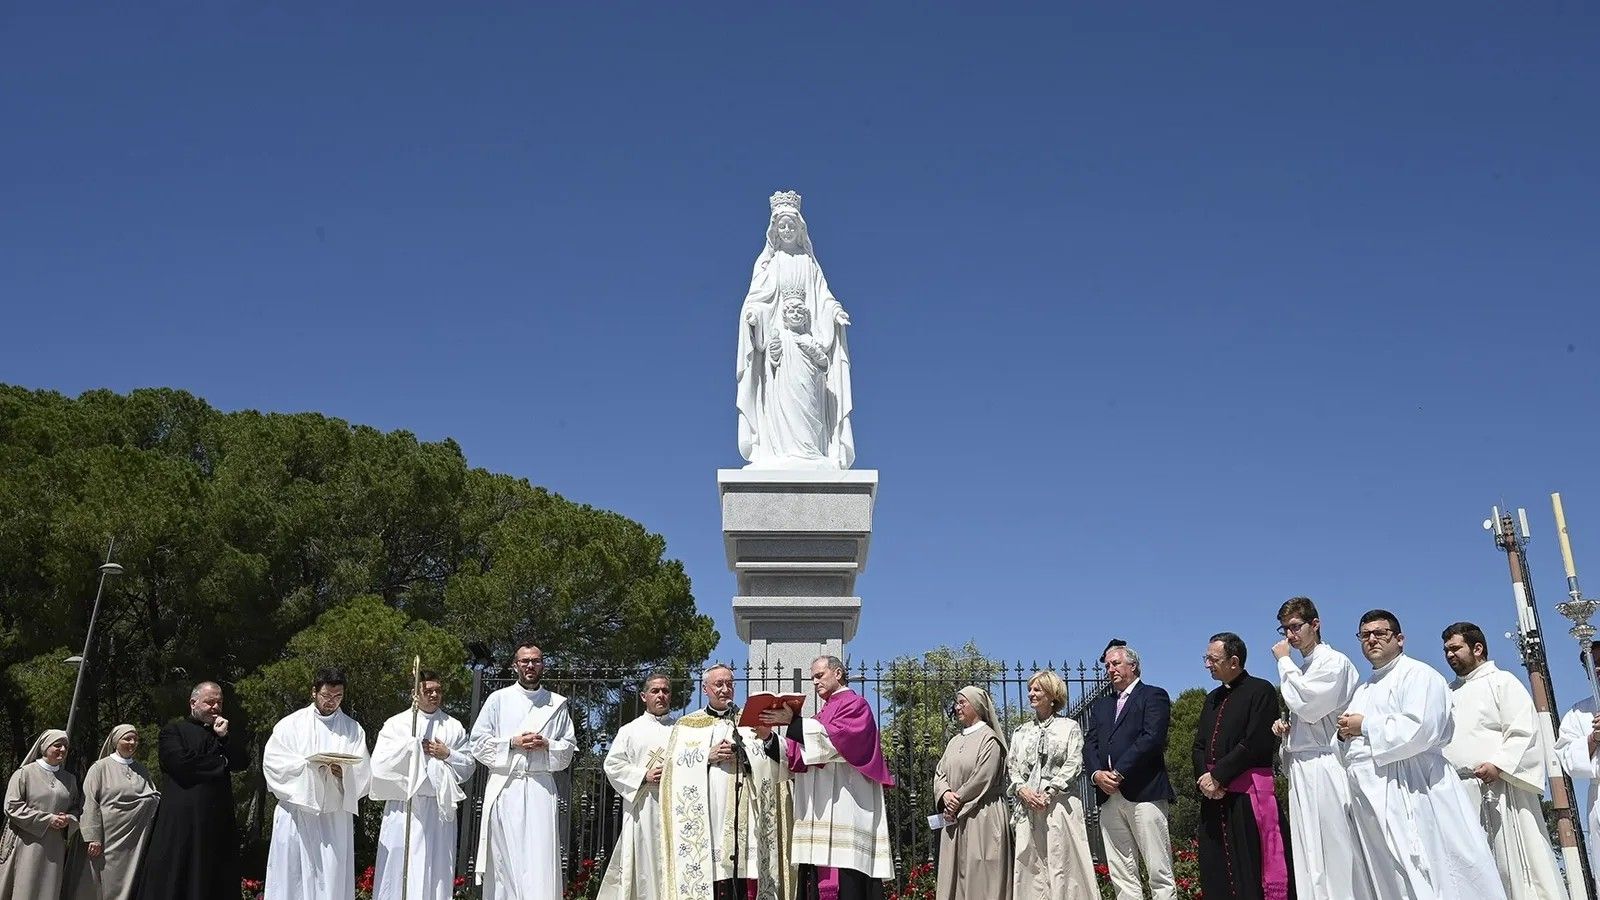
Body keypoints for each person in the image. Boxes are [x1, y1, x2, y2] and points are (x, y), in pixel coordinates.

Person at [1337, 609, 1506, 899]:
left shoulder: (1420, 675)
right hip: (1374, 795)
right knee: (1389, 876)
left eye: (1380, 633)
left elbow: (1420, 730)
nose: (1372, 639)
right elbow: (1347, 741)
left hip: (1417, 787)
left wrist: (1364, 726)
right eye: (1365, 635)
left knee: (1435, 870)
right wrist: (1342, 734)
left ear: (1399, 639)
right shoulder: (1362, 689)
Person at [1442, 623, 1569, 900]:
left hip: (1500, 790)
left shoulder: (1502, 682)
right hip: (1460, 793)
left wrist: (1498, 765)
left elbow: (1524, 730)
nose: (1450, 655)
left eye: (1455, 648)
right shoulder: (1447, 692)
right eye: (1446, 650)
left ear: (1477, 648)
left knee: (1514, 869)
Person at [736, 189, 854, 469]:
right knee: (782, 396)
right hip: (778, 340)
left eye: (791, 225)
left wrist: (833, 311)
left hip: (806, 337)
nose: (787, 230)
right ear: (774, 230)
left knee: (809, 396)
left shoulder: (809, 264)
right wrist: (754, 315)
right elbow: (757, 300)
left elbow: (822, 297)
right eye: (782, 226)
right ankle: (781, 450)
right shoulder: (770, 263)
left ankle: (811, 451)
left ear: (800, 228)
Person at [760, 655, 894, 900]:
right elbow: (799, 754)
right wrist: (768, 737)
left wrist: (794, 723)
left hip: (846, 808)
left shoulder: (856, 705)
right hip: (818, 814)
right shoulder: (821, 715)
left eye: (819, 675)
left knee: (848, 883)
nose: (814, 682)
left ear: (838, 673)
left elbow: (837, 743)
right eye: (812, 677)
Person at [661, 663, 793, 900]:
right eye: (718, 684)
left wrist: (747, 756)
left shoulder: (751, 721)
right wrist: (706, 756)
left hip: (745, 814)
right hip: (708, 814)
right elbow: (671, 769)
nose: (725, 689)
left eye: (729, 684)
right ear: (705, 689)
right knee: (708, 874)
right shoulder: (686, 725)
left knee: (743, 880)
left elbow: (780, 760)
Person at [1270, 597, 1371, 900]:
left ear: (1315, 624)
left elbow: (1309, 704)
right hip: (1303, 763)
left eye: (1295, 626)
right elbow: (1302, 709)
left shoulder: (1334, 662)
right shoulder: (1305, 667)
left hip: (1327, 763)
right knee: (1308, 850)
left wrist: (1283, 661)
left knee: (1335, 845)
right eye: (1284, 628)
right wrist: (1287, 733)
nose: (1289, 635)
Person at [469, 642, 575, 900]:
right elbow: (478, 744)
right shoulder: (498, 700)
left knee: (540, 858)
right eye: (525, 661)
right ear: (516, 664)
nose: (530, 665)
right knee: (506, 859)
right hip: (507, 787)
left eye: (536, 661)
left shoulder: (557, 704)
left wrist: (548, 744)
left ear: (543, 665)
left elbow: (568, 749)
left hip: (540, 788)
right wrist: (512, 743)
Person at [263, 666, 372, 900]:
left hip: (333, 816)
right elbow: (273, 765)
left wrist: (343, 773)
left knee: (330, 878)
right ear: (314, 692)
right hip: (297, 814)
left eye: (338, 696)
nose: (332, 702)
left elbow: (363, 772)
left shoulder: (353, 730)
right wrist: (312, 768)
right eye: (327, 696)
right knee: (293, 877)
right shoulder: (289, 725)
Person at [1193, 633, 1288, 900]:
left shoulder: (1261, 691)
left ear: (1234, 661)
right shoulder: (1211, 697)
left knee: (1250, 867)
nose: (1207, 664)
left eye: (1212, 659)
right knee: (1216, 870)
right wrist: (1205, 779)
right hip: (1213, 796)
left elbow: (1256, 741)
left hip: (1246, 798)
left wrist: (1219, 776)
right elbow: (1199, 744)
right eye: (1206, 658)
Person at [135, 680, 249, 900]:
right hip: (182, 822)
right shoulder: (174, 731)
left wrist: (224, 739)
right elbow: (181, 764)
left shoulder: (223, 735)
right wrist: (221, 763)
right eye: (209, 702)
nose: (215, 707)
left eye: (219, 702)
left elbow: (242, 761)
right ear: (193, 703)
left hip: (217, 823)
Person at [369, 669, 476, 900]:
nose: (434, 695)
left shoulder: (453, 726)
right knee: (401, 868)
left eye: (438, 690)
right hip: (404, 808)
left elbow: (468, 766)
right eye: (428, 691)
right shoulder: (396, 724)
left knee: (436, 868)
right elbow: (378, 765)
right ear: (415, 693)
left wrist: (448, 754)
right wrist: (410, 748)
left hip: (439, 810)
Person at [1082, 643, 1176, 900]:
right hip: (1108, 796)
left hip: (1144, 792)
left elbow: (1152, 738)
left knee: (1159, 868)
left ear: (1132, 666)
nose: (1110, 669)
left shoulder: (1153, 696)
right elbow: (1090, 744)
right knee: (1122, 873)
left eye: (1115, 663)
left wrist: (1119, 771)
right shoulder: (1101, 706)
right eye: (1107, 666)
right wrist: (1096, 775)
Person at [1006, 669, 1097, 900]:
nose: (1031, 694)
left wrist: (1050, 791)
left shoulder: (1069, 727)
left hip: (1059, 804)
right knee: (1030, 865)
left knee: (1063, 862)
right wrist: (1022, 789)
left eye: (1037, 689)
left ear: (1052, 693)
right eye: (1029, 689)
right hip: (1028, 805)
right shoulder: (1020, 732)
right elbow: (1012, 765)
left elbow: (1074, 762)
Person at [596, 672, 676, 900]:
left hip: (675, 808)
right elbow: (612, 764)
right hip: (643, 807)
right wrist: (644, 775)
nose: (661, 695)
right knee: (644, 866)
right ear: (643, 696)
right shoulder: (630, 731)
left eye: (665, 691)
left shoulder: (682, 729)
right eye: (655, 691)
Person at [933, 686, 1011, 900]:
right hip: (955, 817)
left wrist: (956, 800)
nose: (956, 707)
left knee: (982, 875)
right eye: (956, 703)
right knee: (954, 874)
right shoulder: (954, 741)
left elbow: (982, 778)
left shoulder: (990, 739)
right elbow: (940, 772)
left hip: (982, 815)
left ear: (977, 705)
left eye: (962, 703)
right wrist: (945, 794)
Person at [74, 724, 160, 900]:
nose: (132, 742)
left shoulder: (141, 770)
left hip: (133, 841)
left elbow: (153, 798)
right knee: (103, 882)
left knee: (128, 881)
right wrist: (93, 837)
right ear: (115, 741)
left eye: (135, 739)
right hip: (107, 838)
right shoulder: (100, 768)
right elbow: (89, 802)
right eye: (127, 738)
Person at [0, 729, 77, 900]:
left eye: (65, 746)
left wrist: (68, 820)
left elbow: (75, 808)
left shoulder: (70, 779)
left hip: (54, 845)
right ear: (44, 747)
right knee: (25, 886)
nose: (63, 750)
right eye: (57, 745)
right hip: (26, 842)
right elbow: (12, 806)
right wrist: (47, 819)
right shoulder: (24, 773)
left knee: (49, 889)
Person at [763, 289, 833, 463]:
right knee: (788, 413)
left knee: (809, 414)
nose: (795, 315)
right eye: (791, 311)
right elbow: (773, 361)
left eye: (799, 312)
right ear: (784, 317)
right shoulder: (783, 337)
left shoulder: (809, 339)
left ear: (805, 317)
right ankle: (790, 450)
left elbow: (824, 365)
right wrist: (774, 351)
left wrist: (813, 352)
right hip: (786, 385)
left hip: (809, 385)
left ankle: (809, 450)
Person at [1554, 641, 1600, 883]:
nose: (1599, 669)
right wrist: (1593, 738)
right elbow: (1569, 760)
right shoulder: (1578, 713)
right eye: (1593, 665)